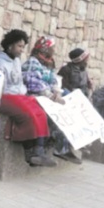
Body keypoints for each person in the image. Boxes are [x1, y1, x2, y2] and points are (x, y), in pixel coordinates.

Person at [0, 30, 56, 167]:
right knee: (28, 114)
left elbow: (19, 83)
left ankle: (39, 150)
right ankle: (29, 152)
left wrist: (25, 94)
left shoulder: (16, 61)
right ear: (10, 45)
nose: (21, 50)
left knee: (39, 111)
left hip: (18, 95)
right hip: (4, 97)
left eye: (23, 47)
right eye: (19, 46)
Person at [22, 36, 81, 164]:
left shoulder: (48, 63)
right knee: (47, 112)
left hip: (48, 96)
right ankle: (39, 151)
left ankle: (65, 145)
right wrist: (50, 95)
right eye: (52, 47)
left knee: (69, 103)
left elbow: (54, 80)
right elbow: (32, 83)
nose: (54, 50)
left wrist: (56, 91)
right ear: (44, 49)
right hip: (35, 96)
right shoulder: (33, 62)